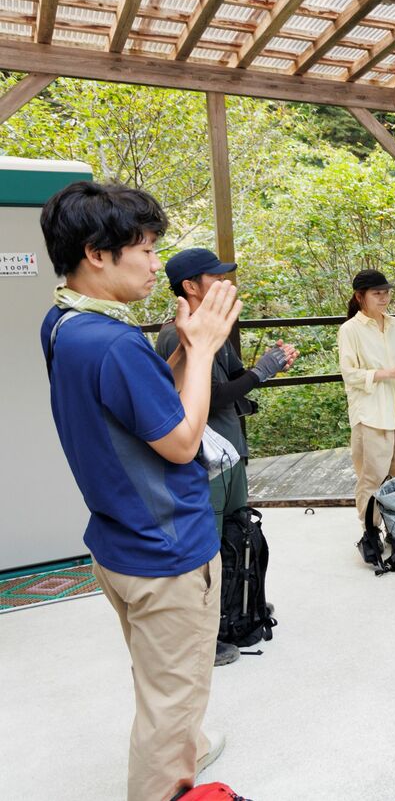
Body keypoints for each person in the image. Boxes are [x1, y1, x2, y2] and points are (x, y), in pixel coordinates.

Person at [39, 181, 240, 801]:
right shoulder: (116, 342)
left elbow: (149, 406)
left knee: (160, 678)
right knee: (173, 697)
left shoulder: (64, 323)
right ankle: (166, 781)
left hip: (117, 538)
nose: (157, 265)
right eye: (147, 250)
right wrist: (205, 349)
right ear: (97, 253)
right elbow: (181, 441)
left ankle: (188, 742)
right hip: (168, 549)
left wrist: (182, 349)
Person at [156, 248, 297, 666]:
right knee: (209, 544)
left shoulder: (216, 330)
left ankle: (239, 610)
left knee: (237, 530)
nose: (223, 283)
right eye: (214, 277)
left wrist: (266, 366)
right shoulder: (173, 334)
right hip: (203, 456)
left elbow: (234, 379)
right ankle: (205, 632)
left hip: (231, 449)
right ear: (190, 286)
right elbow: (212, 395)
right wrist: (263, 371)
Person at [337, 269, 395, 532]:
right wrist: (390, 373)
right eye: (377, 293)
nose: (384, 298)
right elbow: (349, 374)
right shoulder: (350, 330)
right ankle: (371, 533)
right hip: (372, 415)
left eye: (386, 292)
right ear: (360, 296)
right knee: (371, 478)